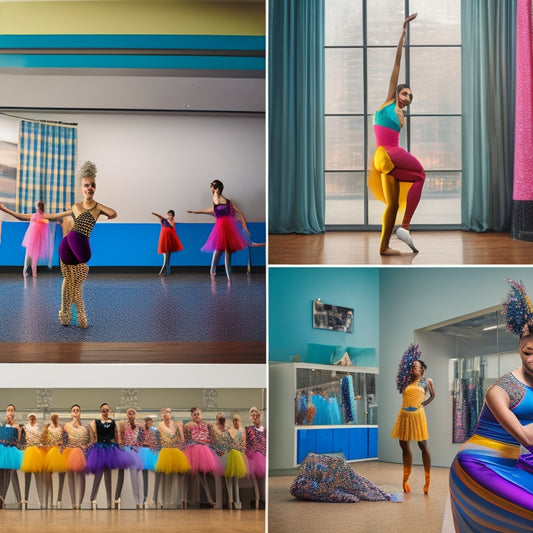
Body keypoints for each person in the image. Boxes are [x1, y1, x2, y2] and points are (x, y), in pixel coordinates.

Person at [447, 280, 533, 532]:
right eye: (528, 351)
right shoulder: (500, 391)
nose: (532, 359)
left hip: (511, 464)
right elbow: (527, 438)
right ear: (519, 347)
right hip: (477, 465)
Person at [0, 161, 117, 328]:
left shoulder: (89, 210)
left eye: (92, 185)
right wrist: (5, 209)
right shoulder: (70, 213)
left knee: (76, 281)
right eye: (86, 185)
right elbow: (26, 217)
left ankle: (67, 311)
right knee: (70, 282)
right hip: (67, 251)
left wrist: (106, 212)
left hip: (79, 251)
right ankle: (71, 312)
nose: (89, 188)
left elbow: (112, 212)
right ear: (81, 188)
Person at [368, 13, 425, 255]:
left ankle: (384, 247)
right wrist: (402, 35)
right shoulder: (388, 102)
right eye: (405, 94)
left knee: (392, 203)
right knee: (421, 175)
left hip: (383, 161)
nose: (407, 98)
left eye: (410, 97)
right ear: (397, 92)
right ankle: (405, 226)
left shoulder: (402, 116)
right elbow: (396, 65)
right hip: (388, 153)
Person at [390, 344, 435, 494]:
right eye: (411, 367)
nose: (413, 369)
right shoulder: (405, 381)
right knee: (404, 446)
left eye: (415, 367)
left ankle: (427, 481)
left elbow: (433, 396)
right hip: (404, 415)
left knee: (423, 445)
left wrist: (422, 405)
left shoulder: (427, 381)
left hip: (418, 416)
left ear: (421, 369)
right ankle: (405, 480)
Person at [187, 179, 249, 281]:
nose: (211, 188)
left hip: (229, 227)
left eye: (212, 186)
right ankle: (212, 269)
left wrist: (245, 227)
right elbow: (212, 205)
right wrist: (196, 211)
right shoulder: (216, 200)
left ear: (218, 187)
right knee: (218, 248)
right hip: (220, 227)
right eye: (211, 186)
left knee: (226, 250)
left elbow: (239, 212)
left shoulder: (228, 202)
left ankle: (228, 274)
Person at [290, 452, 401, 503]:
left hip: (337, 469)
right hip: (335, 472)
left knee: (359, 484)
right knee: (360, 485)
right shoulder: (302, 486)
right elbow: (349, 497)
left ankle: (384, 495)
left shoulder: (301, 484)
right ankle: (384, 495)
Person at [86, 403, 133, 509]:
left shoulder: (114, 423)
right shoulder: (95, 422)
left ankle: (110, 499)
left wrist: (121, 447)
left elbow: (117, 437)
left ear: (110, 411)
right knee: (99, 473)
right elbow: (93, 438)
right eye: (103, 410)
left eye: (107, 410)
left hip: (111, 448)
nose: (105, 412)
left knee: (108, 474)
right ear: (100, 411)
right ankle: (92, 498)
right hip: (100, 448)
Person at [183, 407, 224, 508]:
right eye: (194, 414)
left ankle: (208, 499)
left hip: (205, 451)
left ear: (201, 414)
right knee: (192, 476)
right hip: (193, 451)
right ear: (191, 416)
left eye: (198, 414)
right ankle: (190, 499)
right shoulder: (188, 426)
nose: (197, 416)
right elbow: (187, 439)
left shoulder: (208, 425)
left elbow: (211, 440)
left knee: (205, 476)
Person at [0, 200, 53, 278]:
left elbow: (44, 223)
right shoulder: (36, 216)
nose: (39, 208)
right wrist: (41, 221)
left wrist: (42, 220)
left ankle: (30, 272)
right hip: (33, 239)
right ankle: (28, 271)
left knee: (32, 256)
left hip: (36, 239)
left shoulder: (40, 216)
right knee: (30, 255)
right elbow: (35, 224)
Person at [154, 407, 190, 508]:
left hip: (175, 451)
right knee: (166, 478)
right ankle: (166, 501)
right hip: (165, 451)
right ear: (162, 414)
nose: (168, 413)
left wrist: (180, 430)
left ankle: (178, 500)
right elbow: (158, 438)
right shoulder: (160, 425)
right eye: (166, 412)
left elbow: (181, 439)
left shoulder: (176, 424)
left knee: (178, 477)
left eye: (169, 412)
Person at [115, 408, 144, 509]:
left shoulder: (140, 425)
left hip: (137, 450)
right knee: (131, 476)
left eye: (133, 413)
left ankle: (140, 500)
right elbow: (120, 437)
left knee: (138, 476)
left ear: (135, 414)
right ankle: (134, 500)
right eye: (129, 413)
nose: (131, 415)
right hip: (127, 450)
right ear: (127, 415)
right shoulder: (123, 425)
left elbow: (143, 438)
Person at [62, 404, 89, 509]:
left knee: (81, 476)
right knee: (70, 476)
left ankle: (80, 501)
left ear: (80, 412)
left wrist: (84, 446)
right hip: (69, 450)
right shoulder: (66, 426)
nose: (75, 412)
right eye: (73, 410)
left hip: (80, 452)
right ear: (71, 413)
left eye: (77, 410)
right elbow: (64, 439)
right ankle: (73, 502)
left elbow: (87, 441)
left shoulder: (84, 428)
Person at [41, 413, 67, 509]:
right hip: (49, 450)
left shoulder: (61, 427)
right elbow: (43, 439)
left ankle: (57, 498)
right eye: (53, 417)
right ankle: (49, 499)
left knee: (59, 473)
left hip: (57, 450)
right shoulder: (47, 427)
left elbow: (63, 439)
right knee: (48, 475)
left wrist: (61, 444)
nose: (54, 418)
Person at [0, 404, 22, 509]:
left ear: (14, 412)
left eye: (12, 410)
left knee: (8, 475)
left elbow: (18, 440)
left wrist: (12, 424)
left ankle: (2, 497)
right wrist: (6, 424)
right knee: (1, 475)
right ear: (6, 412)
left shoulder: (17, 426)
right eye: (8, 410)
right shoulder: (2, 425)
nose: (10, 412)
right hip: (2, 451)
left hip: (11, 451)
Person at [21, 413, 44, 509]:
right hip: (29, 452)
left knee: (39, 477)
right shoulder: (25, 428)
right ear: (28, 419)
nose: (32, 420)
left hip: (37, 452)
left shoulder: (39, 428)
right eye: (30, 418)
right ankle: (25, 500)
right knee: (27, 477)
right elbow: (22, 440)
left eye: (33, 418)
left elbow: (42, 439)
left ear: (36, 419)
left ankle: (41, 500)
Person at [225, 414, 248, 509]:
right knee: (230, 479)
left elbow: (242, 445)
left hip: (237, 456)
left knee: (235, 481)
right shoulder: (228, 431)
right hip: (230, 456)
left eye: (237, 420)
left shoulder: (240, 432)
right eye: (234, 420)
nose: (235, 422)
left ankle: (237, 500)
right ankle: (231, 500)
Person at [245, 407, 266, 509]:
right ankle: (257, 499)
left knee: (263, 480)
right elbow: (247, 443)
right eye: (252, 416)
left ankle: (263, 499)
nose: (254, 417)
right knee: (255, 480)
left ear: (260, 416)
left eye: (256, 415)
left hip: (263, 456)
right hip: (252, 456)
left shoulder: (264, 430)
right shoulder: (248, 429)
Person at [152, 210, 183, 276]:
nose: (170, 216)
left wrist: (167, 221)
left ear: (173, 216)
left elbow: (171, 227)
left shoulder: (172, 222)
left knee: (168, 255)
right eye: (169, 215)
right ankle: (165, 269)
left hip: (170, 241)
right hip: (164, 240)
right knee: (166, 255)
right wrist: (160, 218)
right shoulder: (164, 221)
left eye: (171, 215)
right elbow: (162, 222)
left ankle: (167, 270)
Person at [138, 416, 159, 507]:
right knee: (144, 475)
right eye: (147, 421)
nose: (149, 423)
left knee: (153, 475)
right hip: (144, 452)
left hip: (151, 452)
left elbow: (156, 442)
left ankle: (153, 497)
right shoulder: (141, 431)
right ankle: (145, 497)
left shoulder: (154, 431)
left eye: (150, 421)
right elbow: (138, 441)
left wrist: (153, 447)